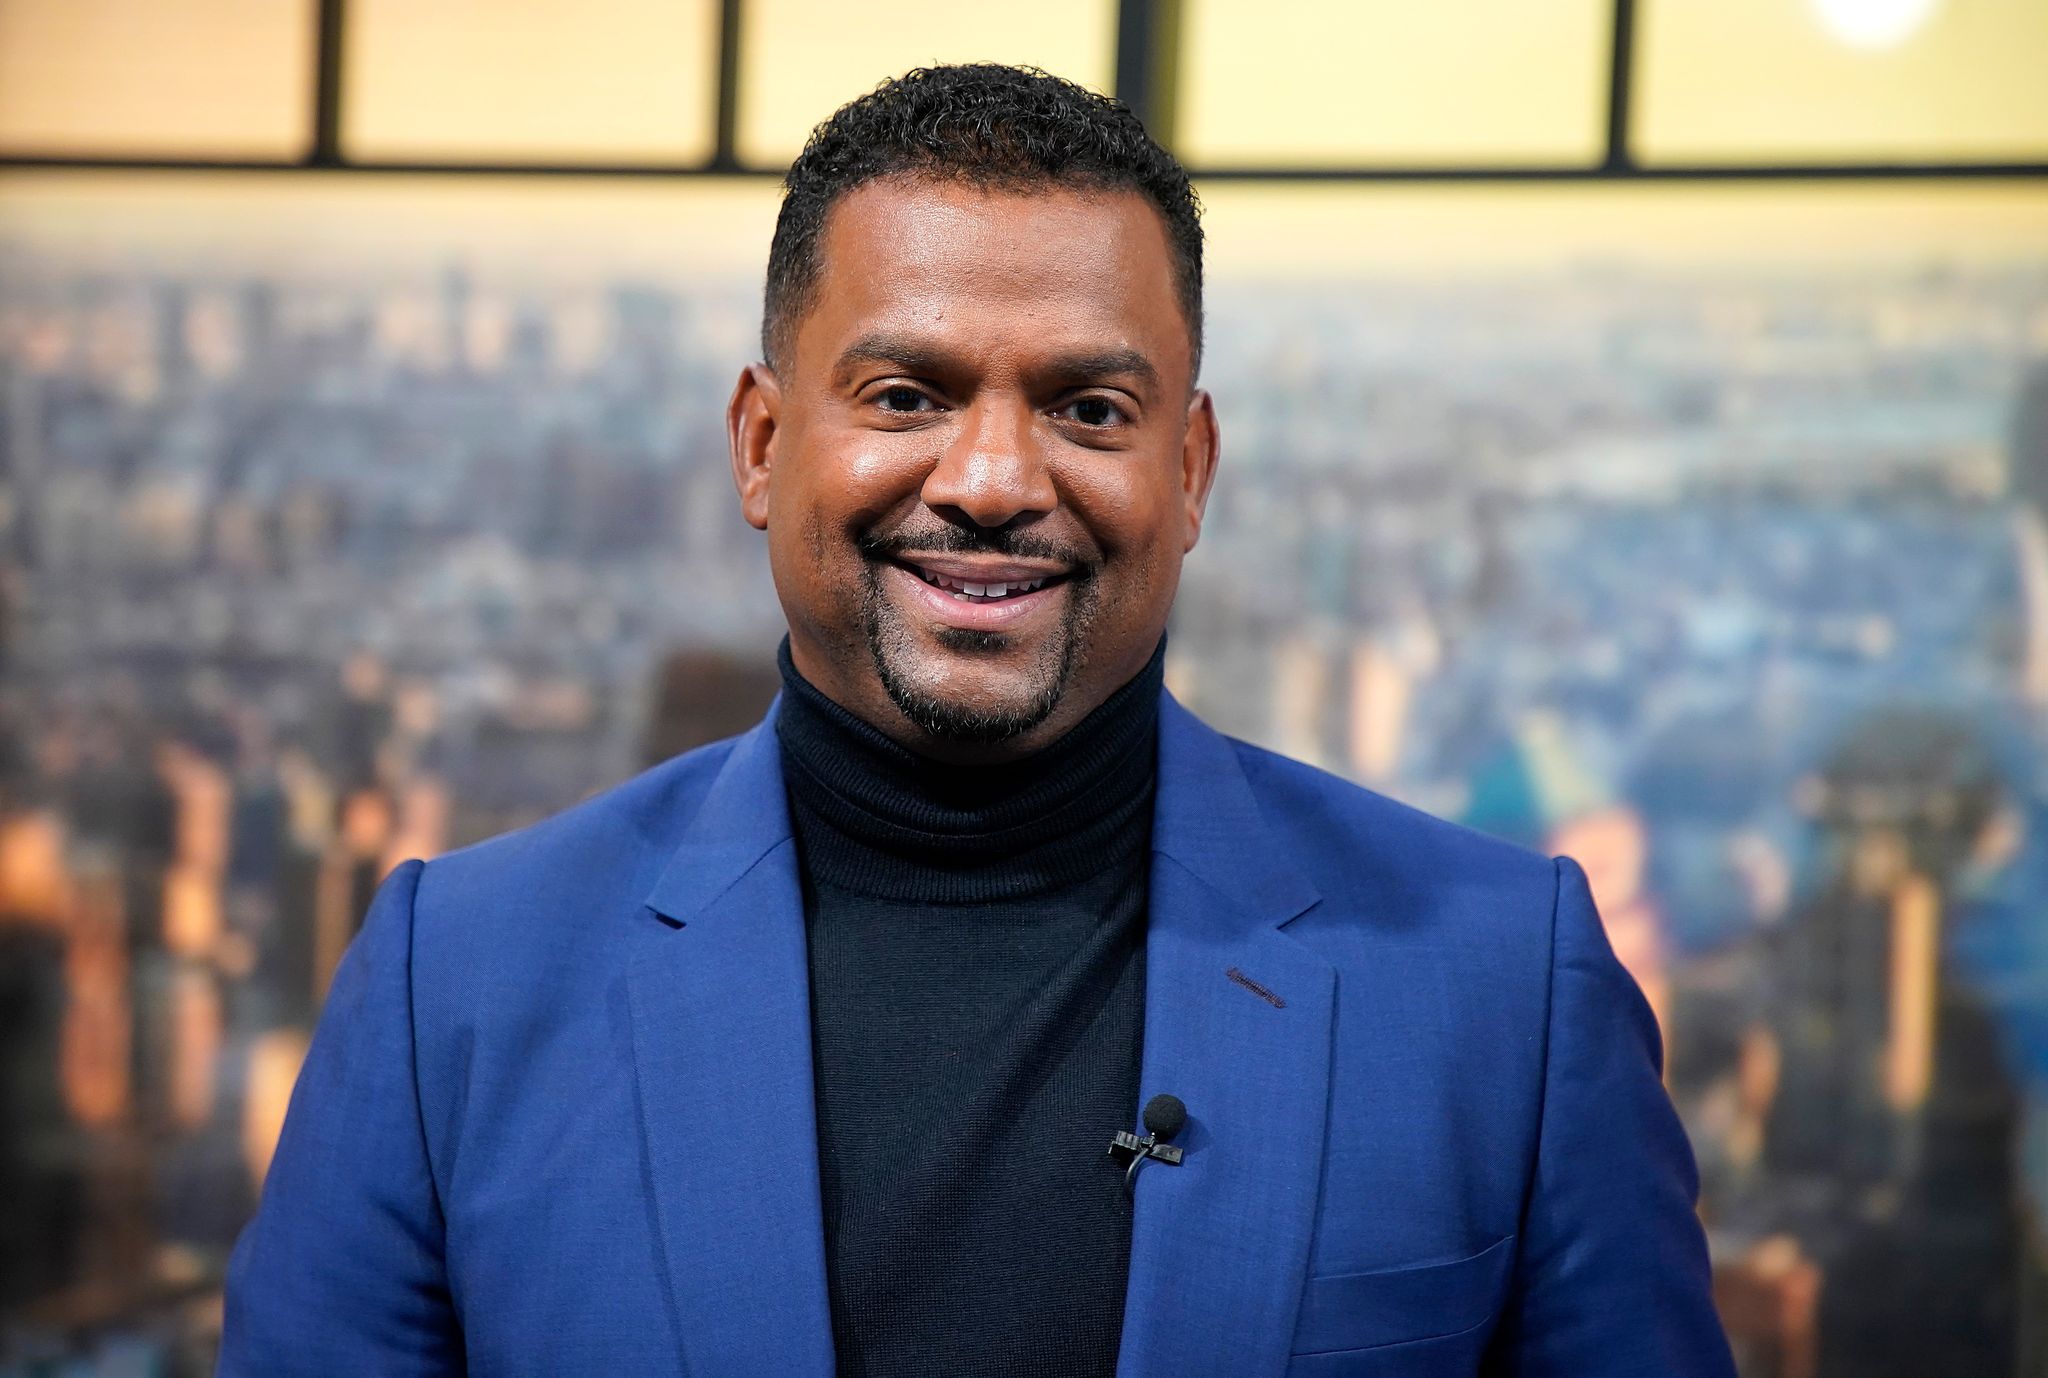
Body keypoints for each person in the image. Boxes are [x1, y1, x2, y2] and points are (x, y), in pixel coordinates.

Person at [218, 65, 1734, 1377]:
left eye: (1089, 408)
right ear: (761, 444)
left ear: (1191, 470)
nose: (996, 479)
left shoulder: (1501, 994)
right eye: (904, 394)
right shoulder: (457, 992)